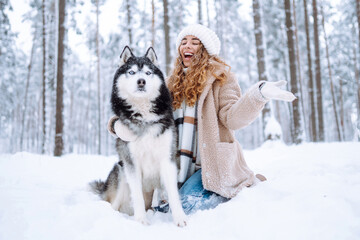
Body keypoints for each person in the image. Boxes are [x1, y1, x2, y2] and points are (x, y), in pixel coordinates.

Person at [108, 24, 296, 215]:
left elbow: (233, 118)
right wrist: (116, 124)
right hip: (176, 164)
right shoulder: (170, 83)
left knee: (185, 208)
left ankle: (243, 186)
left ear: (205, 50)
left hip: (208, 165)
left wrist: (259, 95)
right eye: (183, 42)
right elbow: (139, 104)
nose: (187, 46)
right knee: (160, 209)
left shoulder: (222, 79)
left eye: (194, 42)